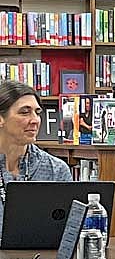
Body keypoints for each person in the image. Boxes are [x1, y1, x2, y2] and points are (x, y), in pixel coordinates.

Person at [0, 79, 72, 234]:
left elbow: (67, 232)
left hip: (41, 257)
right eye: (25, 112)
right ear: (1, 119)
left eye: (37, 113)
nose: (35, 120)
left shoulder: (57, 170)